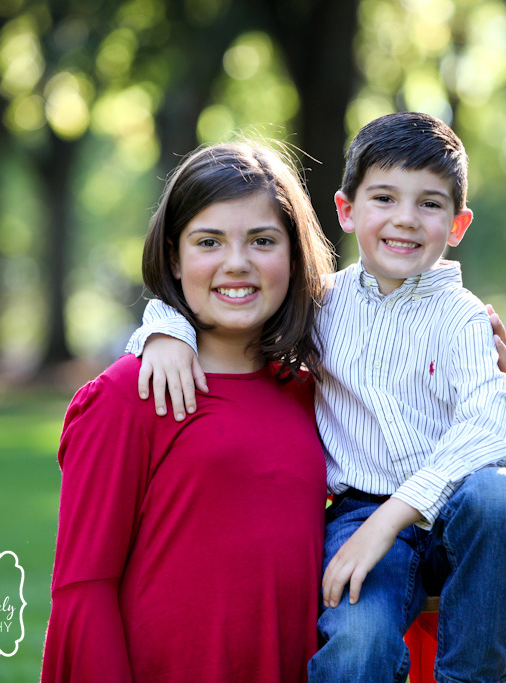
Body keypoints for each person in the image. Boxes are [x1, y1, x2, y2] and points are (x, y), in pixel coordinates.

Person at [126, 112, 506, 683]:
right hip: (358, 513)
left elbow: (494, 431)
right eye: (384, 198)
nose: (405, 219)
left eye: (429, 203)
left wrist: (395, 518)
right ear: (346, 210)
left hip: (457, 521)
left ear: (458, 224)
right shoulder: (322, 306)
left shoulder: (464, 319)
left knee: (501, 497)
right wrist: (163, 329)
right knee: (356, 646)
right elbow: (239, 305)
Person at [40, 141, 337, 683]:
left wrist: (485, 376)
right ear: (174, 257)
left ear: (293, 255)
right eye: (209, 241)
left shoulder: (312, 391)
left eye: (263, 240)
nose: (237, 263)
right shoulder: (130, 395)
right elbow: (85, 588)